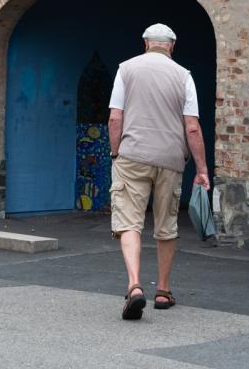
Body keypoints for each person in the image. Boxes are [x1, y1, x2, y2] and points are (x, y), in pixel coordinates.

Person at [108, 23, 209, 320]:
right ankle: (163, 290)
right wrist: (202, 169)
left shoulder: (125, 69)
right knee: (166, 225)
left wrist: (115, 151)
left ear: (145, 43)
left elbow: (115, 118)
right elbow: (191, 126)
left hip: (132, 155)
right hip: (170, 159)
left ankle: (134, 285)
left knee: (129, 221)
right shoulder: (184, 76)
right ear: (172, 47)